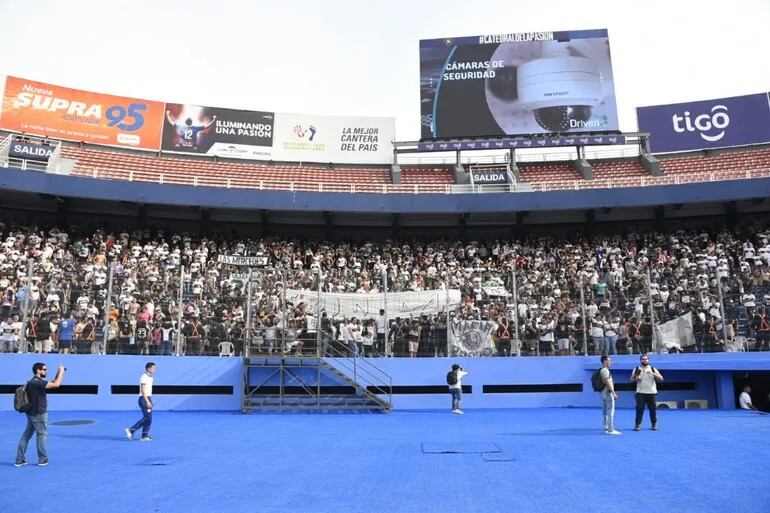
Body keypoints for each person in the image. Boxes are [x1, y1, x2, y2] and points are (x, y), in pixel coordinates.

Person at [15, 362, 66, 466]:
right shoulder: (37, 383)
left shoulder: (34, 382)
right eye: (44, 369)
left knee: (27, 435)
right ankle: (42, 459)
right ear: (38, 370)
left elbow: (53, 382)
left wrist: (58, 373)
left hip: (32, 413)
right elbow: (57, 384)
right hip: (39, 413)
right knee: (41, 435)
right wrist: (61, 371)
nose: (46, 371)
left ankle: (20, 459)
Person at [631, 354, 664, 431]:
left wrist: (653, 374)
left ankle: (654, 424)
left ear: (648, 360)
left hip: (652, 393)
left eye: (646, 359)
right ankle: (637, 425)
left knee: (653, 409)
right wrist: (636, 379)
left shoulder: (653, 369)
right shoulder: (636, 369)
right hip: (640, 393)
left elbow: (661, 378)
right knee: (639, 409)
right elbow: (631, 379)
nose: (644, 360)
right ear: (640, 360)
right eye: (643, 359)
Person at [125, 362, 156, 441]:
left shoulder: (151, 378)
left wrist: (150, 401)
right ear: (148, 368)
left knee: (149, 418)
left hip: (148, 398)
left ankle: (144, 435)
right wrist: (147, 401)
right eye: (153, 368)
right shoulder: (143, 377)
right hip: (143, 399)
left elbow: (148, 391)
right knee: (147, 417)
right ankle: (131, 430)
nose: (154, 370)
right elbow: (142, 390)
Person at [599, 355, 621, 435]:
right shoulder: (605, 370)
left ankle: (606, 426)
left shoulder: (602, 370)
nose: (610, 362)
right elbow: (608, 382)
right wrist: (613, 393)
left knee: (605, 410)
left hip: (603, 393)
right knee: (610, 411)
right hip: (608, 393)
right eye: (609, 361)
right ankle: (611, 429)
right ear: (605, 362)